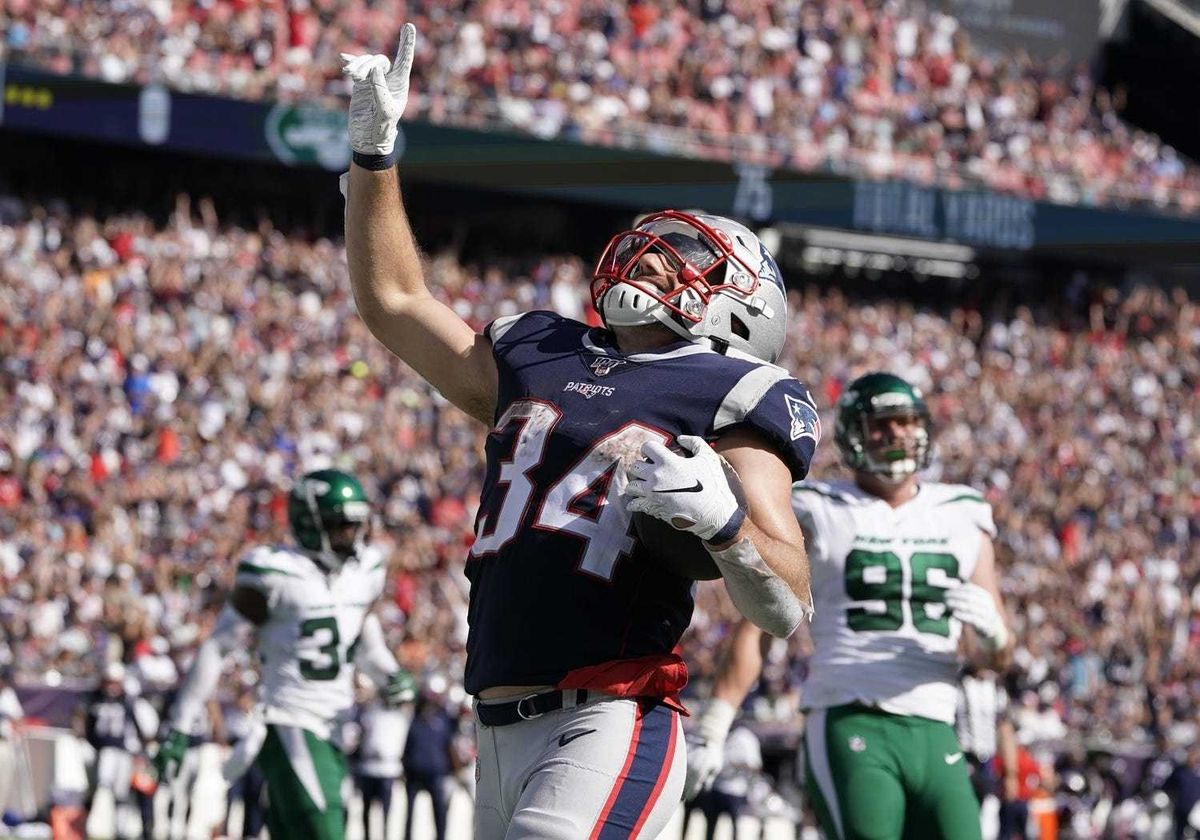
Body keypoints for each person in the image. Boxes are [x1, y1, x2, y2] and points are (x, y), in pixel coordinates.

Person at [340, 23, 820, 839]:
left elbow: (787, 601)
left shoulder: (735, 387)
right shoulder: (543, 350)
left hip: (610, 715)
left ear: (740, 307)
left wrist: (728, 526)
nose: (654, 260)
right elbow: (394, 301)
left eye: (684, 258)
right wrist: (375, 157)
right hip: (493, 723)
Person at [684, 372, 1013, 840]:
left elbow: (994, 659)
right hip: (849, 712)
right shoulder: (818, 506)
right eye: (882, 424)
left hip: (938, 722)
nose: (896, 434)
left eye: (904, 422)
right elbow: (757, 623)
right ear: (855, 434)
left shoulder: (963, 511)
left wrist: (994, 638)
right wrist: (715, 724)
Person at [152, 469, 417, 840]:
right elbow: (218, 646)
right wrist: (180, 723)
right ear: (311, 524)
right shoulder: (273, 571)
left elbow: (360, 636)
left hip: (335, 729)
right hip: (289, 722)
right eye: (342, 525)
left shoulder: (366, 569)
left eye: (357, 525)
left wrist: (387, 673)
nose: (352, 535)